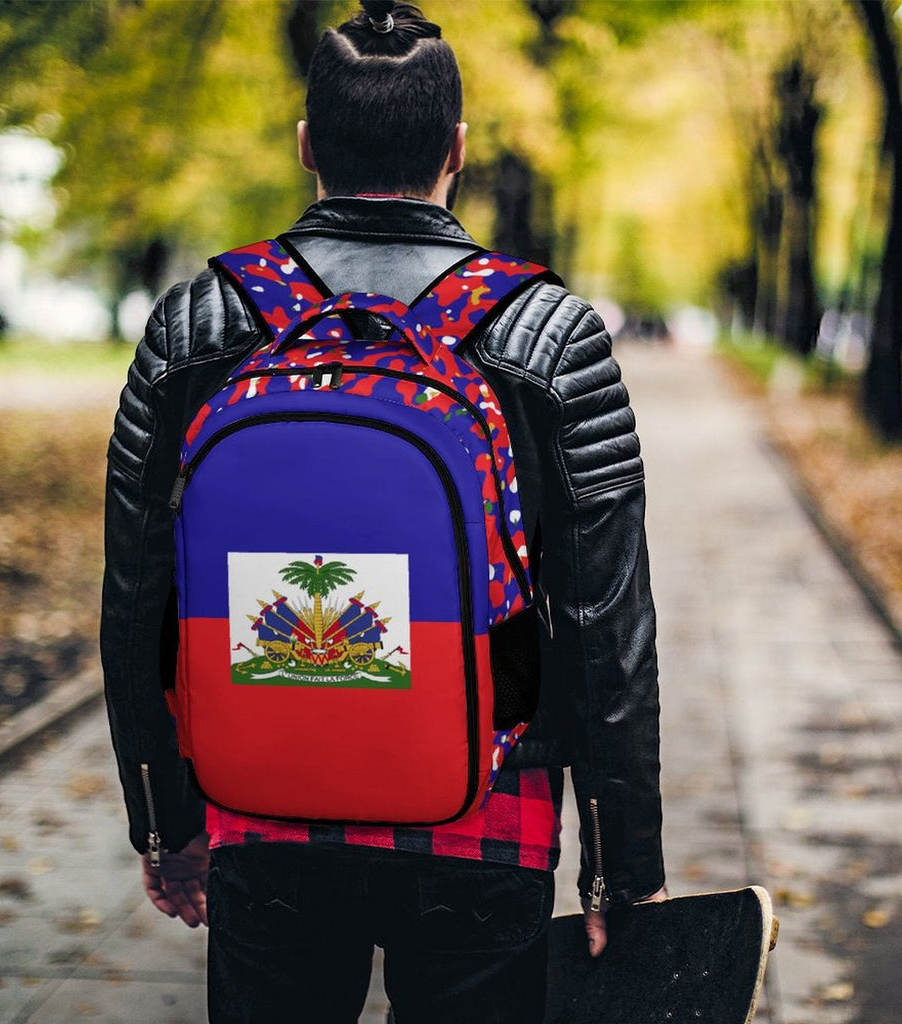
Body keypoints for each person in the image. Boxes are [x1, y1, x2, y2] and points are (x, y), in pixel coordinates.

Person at [101, 2, 665, 1021]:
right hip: (488, 812)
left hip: (262, 808)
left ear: (307, 144)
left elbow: (139, 591)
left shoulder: (199, 324)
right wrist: (624, 872)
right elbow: (605, 623)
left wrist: (165, 820)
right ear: (457, 149)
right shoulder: (550, 337)